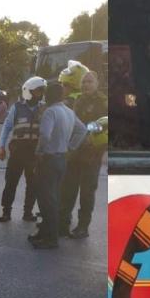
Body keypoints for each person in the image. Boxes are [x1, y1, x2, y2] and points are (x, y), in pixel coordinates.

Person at [28, 82, 87, 250]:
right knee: (53, 198)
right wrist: (71, 147)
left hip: (48, 159)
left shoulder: (50, 112)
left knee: (47, 201)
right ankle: (45, 233)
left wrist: (39, 152)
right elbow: (82, 130)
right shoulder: (69, 112)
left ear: (50, 95)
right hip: (62, 159)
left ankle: (50, 239)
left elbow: (45, 135)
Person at [59, 71, 108, 239]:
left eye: (90, 81)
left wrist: (93, 138)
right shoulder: (77, 101)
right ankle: (63, 223)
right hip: (74, 153)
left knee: (87, 193)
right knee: (68, 190)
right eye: (84, 82)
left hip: (91, 155)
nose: (86, 84)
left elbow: (107, 127)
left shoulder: (103, 102)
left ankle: (82, 227)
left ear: (97, 83)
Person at [0, 76, 45, 223]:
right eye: (38, 91)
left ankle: (27, 212)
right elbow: (6, 127)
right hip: (17, 151)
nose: (41, 94)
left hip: (34, 152)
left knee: (33, 184)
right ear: (29, 91)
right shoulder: (16, 108)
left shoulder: (44, 108)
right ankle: (6, 212)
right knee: (11, 182)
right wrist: (1, 147)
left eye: (42, 91)